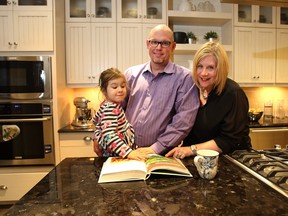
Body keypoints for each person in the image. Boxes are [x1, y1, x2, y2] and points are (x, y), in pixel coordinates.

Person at [121, 24, 200, 156]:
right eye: (154, 42)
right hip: (126, 152)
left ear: (173, 47)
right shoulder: (130, 74)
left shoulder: (185, 78)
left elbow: (183, 122)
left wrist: (155, 149)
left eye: (164, 43)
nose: (158, 48)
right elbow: (114, 109)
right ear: (147, 44)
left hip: (160, 156)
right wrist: (100, 135)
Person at [166, 41, 251, 159]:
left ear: (220, 69)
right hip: (197, 159)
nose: (203, 73)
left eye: (210, 67)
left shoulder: (233, 93)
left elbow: (228, 140)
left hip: (232, 160)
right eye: (200, 66)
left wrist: (191, 149)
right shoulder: (192, 90)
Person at [92, 68, 147, 160]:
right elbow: (109, 134)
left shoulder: (111, 105)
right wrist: (128, 153)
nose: (120, 90)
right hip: (116, 155)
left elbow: (96, 122)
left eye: (123, 86)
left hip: (118, 153)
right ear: (104, 90)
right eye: (114, 87)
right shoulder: (110, 108)